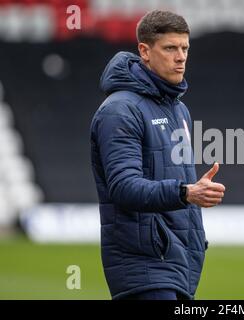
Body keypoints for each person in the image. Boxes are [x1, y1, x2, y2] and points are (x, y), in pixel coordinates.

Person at [90, 10, 225, 300]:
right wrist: (186, 192)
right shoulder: (120, 110)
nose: (180, 57)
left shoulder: (178, 109)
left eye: (185, 48)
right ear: (144, 51)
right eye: (170, 48)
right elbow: (123, 187)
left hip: (177, 262)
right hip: (145, 266)